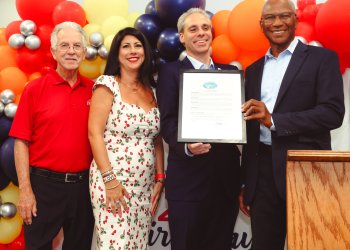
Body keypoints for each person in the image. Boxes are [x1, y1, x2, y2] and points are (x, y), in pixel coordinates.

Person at [239, 0, 345, 249]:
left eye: (284, 16)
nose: (277, 23)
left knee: (311, 244)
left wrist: (274, 120)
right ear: (261, 24)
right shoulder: (253, 70)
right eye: (270, 18)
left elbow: (332, 113)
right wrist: (246, 182)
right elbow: (251, 132)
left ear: (296, 18)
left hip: (306, 169)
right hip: (262, 174)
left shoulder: (323, 58)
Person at [156, 8, 241, 250]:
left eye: (205, 28)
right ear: (182, 37)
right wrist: (187, 147)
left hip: (225, 182)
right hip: (188, 183)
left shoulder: (230, 73)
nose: (201, 33)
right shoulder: (170, 72)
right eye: (193, 29)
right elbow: (167, 121)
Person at [10, 21, 94, 250]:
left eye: (77, 46)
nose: (71, 51)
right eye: (64, 45)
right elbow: (20, 142)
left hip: (83, 187)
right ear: (54, 52)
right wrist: (26, 190)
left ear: (85, 53)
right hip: (43, 187)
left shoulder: (95, 90)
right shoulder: (34, 89)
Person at [88, 27, 164, 250]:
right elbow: (94, 134)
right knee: (116, 245)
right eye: (126, 46)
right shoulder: (107, 85)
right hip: (113, 183)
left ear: (145, 52)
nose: (133, 51)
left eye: (138, 46)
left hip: (144, 186)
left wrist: (159, 178)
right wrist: (110, 181)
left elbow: (156, 139)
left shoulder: (152, 91)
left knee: (137, 245)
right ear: (117, 54)